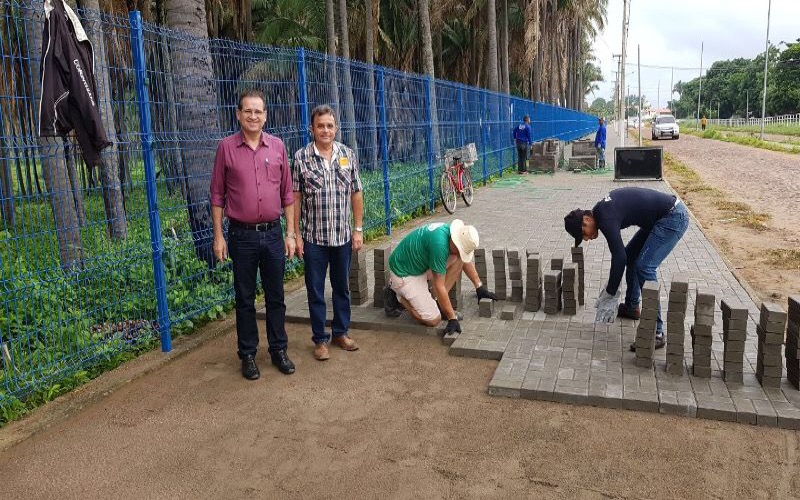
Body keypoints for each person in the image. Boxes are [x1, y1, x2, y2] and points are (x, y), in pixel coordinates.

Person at [210, 89, 296, 381]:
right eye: (248, 111)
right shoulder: (226, 148)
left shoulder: (278, 147)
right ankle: (247, 354)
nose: (253, 116)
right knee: (244, 298)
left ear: (265, 116)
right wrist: (218, 237)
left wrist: (291, 234)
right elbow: (217, 195)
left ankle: (278, 350)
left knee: (276, 296)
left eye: (258, 111)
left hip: (273, 234)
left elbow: (287, 194)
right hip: (241, 237)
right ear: (238, 114)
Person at [563, 187, 689, 350]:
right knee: (632, 258)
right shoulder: (601, 212)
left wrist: (610, 293)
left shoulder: (605, 217)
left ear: (586, 220)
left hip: (672, 217)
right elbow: (623, 256)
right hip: (659, 219)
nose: (586, 239)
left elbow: (619, 258)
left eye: (583, 234)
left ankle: (657, 333)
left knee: (645, 267)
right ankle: (631, 307)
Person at [292, 105, 364, 361]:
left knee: (341, 287)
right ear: (312, 128)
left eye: (330, 126)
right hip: (314, 238)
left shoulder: (348, 154)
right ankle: (320, 339)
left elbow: (356, 192)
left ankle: (340, 332)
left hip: (342, 236)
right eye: (320, 125)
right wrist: (296, 234)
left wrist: (358, 229)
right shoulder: (301, 157)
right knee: (315, 290)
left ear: (336, 128)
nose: (325, 130)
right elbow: (296, 197)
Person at [384, 220, 498, 334]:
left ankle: (439, 302)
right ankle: (399, 297)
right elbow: (439, 284)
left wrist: (479, 286)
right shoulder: (439, 245)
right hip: (404, 274)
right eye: (460, 250)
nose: (460, 253)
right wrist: (451, 318)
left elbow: (464, 259)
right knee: (433, 320)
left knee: (458, 259)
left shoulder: (452, 234)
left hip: (418, 265)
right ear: (455, 241)